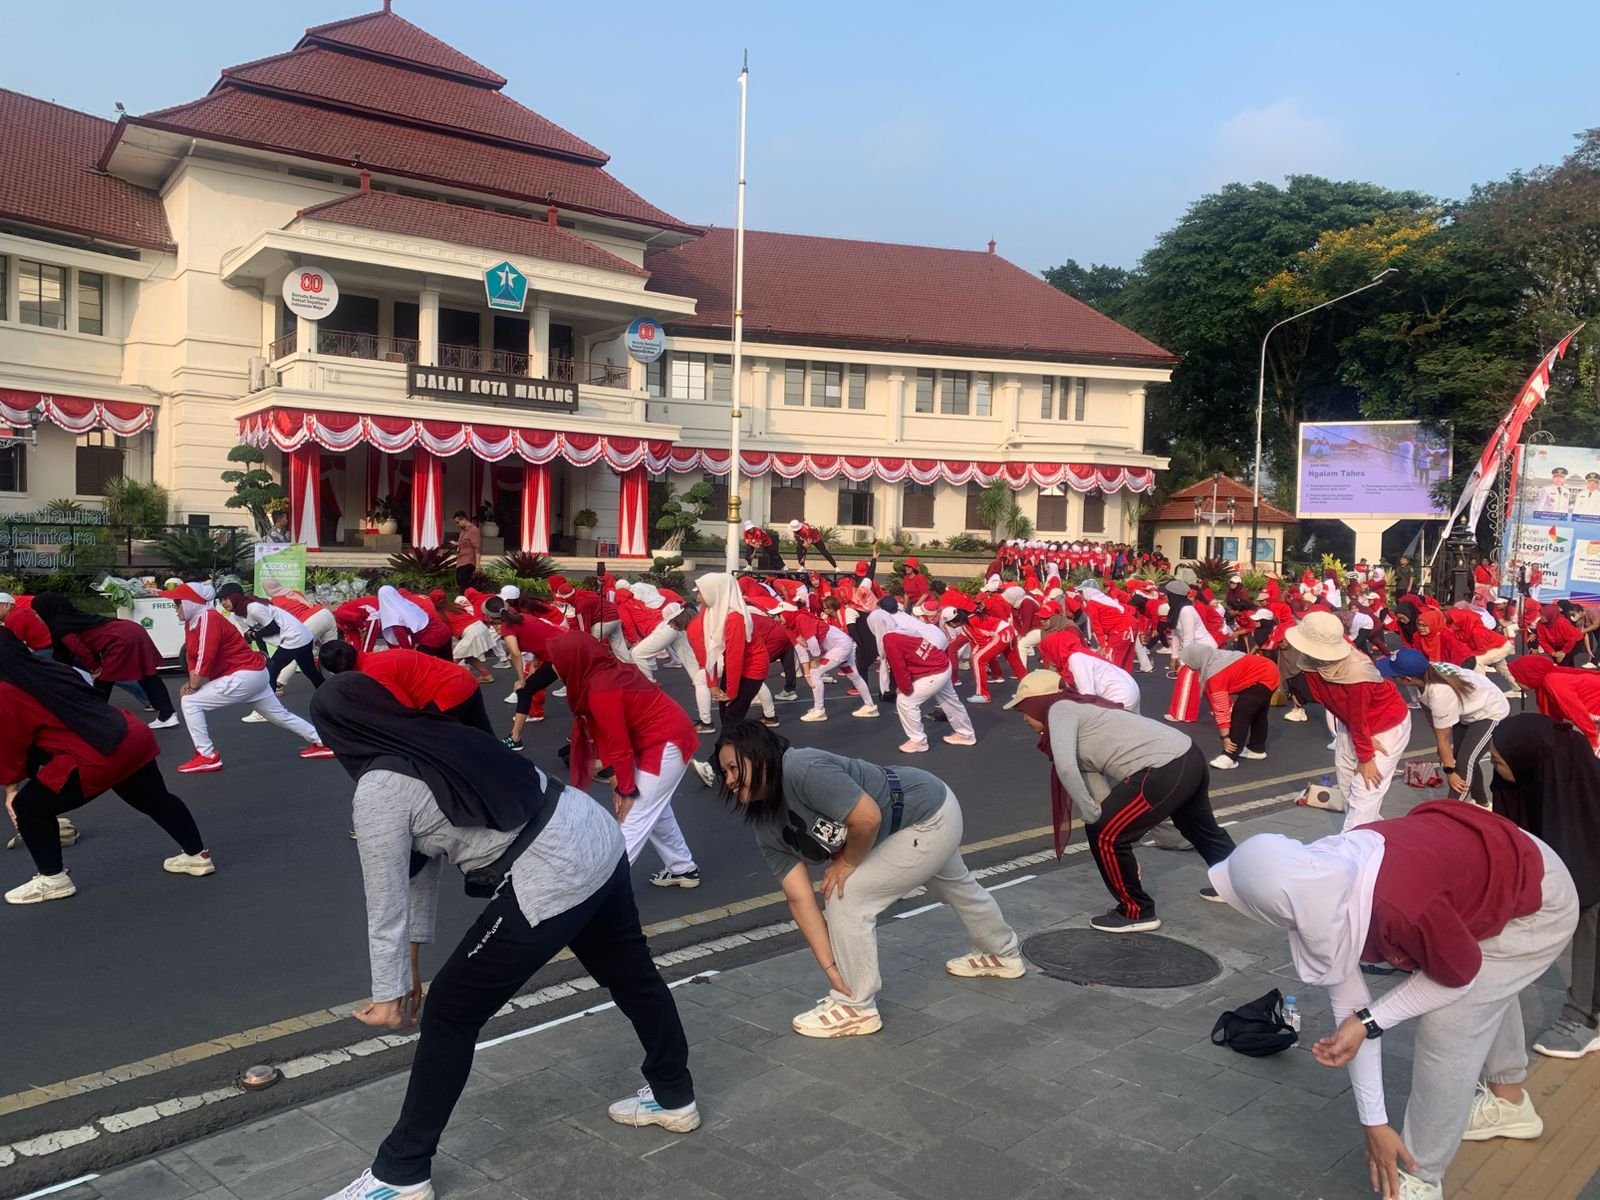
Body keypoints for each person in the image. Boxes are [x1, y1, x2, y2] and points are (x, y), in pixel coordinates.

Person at [310, 673, 698, 1200]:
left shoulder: (379, 788)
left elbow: (384, 899)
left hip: (554, 872)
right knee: (633, 977)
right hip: (595, 836)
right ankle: (674, 1097)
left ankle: (400, 1175)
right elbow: (418, 870)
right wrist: (410, 973)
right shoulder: (439, 734)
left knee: (450, 1011)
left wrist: (389, 996)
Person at [1210, 802, 1579, 1200]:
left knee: (1449, 1020)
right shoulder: (1319, 877)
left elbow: (1457, 981)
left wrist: (1372, 1020)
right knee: (1479, 984)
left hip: (1539, 900)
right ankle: (1510, 1105)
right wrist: (1375, 1122)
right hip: (1494, 867)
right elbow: (1349, 1012)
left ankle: (1421, 1176)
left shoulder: (1401, 907)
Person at [713, 721, 1023, 1037]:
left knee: (847, 894)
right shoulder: (765, 826)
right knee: (954, 885)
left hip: (925, 814)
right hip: (911, 820)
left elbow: (867, 817)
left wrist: (847, 863)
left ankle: (855, 1006)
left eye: (734, 767)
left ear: (760, 754)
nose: (730, 780)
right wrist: (831, 969)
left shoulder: (799, 767)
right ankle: (1002, 953)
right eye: (724, 774)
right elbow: (799, 898)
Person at [1010, 671, 1235, 932]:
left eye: (1024, 709)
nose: (1024, 718)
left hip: (1164, 767)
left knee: (1104, 834)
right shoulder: (1080, 712)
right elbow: (1093, 783)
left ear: (1039, 702)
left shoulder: (1059, 708)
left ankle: (1136, 912)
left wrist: (1095, 818)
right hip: (1186, 754)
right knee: (1198, 828)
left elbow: (1067, 769)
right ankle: (1240, 886)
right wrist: (1104, 824)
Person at [1, 629, 212, 905]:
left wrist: (12, 790)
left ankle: (52, 879)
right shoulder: (49, 667)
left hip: (97, 753)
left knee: (28, 806)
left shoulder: (5, 690)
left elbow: (11, 742)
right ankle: (197, 856)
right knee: (155, 799)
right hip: (127, 734)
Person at [545, 633, 703, 888]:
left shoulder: (600, 687)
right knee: (654, 809)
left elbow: (617, 743)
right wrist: (617, 778)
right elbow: (610, 736)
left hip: (664, 742)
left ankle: (593, 895)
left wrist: (626, 787)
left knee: (631, 817)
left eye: (555, 660)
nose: (552, 666)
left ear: (573, 659)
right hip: (656, 738)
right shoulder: (602, 670)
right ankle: (682, 868)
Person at [1491, 715, 1600, 1060]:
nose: (1495, 768)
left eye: (1498, 761)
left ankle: (1587, 1017)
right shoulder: (1541, 781)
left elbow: (1583, 886)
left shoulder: (1581, 799)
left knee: (1592, 919)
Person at [162, 582, 332, 773]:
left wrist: (193, 685)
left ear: (190, 603)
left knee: (190, 702)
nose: (175, 609)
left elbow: (205, 654)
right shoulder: (194, 622)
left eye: (177, 604)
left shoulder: (208, 619)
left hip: (247, 672)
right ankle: (323, 742)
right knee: (279, 715)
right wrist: (192, 679)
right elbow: (192, 655)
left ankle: (207, 755)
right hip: (253, 672)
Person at [1286, 611, 1412, 829]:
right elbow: (1334, 705)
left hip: (1385, 723)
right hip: (1354, 724)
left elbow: (1358, 715)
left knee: (1365, 790)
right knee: (1346, 787)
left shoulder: (1357, 672)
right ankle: (1373, 835)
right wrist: (1361, 737)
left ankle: (1350, 853)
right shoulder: (1311, 658)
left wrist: (1365, 756)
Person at [1377, 649, 1508, 805]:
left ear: (1406, 678)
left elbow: (1444, 739)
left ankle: (1450, 811)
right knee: (1461, 757)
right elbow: (1428, 711)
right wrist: (1442, 748)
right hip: (1467, 709)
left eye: (1394, 674)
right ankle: (1481, 804)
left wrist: (1449, 772)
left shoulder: (1440, 694)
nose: (1391, 677)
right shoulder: (1424, 672)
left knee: (1465, 762)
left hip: (1490, 711)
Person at [32, 592, 178, 728]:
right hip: (131, 631)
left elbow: (78, 648)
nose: (36, 617)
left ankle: (96, 721)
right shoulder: (73, 616)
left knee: (103, 682)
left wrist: (95, 668)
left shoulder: (61, 625)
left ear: (46, 610)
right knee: (147, 676)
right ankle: (168, 714)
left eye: (36, 613)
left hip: (121, 640)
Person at [320, 640, 492, 734]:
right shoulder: (378, 657)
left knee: (429, 736)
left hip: (449, 692)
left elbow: (405, 709)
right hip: (464, 680)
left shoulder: (373, 673)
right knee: (484, 735)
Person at [883, 602, 975, 752]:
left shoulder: (891, 637)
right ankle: (966, 734)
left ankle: (918, 741)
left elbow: (900, 666)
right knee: (950, 700)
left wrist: (904, 687)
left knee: (905, 701)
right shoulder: (907, 624)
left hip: (935, 668)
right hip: (942, 662)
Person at [1180, 643, 1281, 770]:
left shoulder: (1215, 674)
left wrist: (1225, 737)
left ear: (1196, 659)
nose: (1187, 664)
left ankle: (1230, 755)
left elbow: (1222, 709)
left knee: (1240, 713)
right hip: (1268, 669)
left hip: (1264, 676)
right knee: (1258, 713)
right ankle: (1257, 748)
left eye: (1187, 661)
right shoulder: (1216, 657)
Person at [216, 582, 325, 690]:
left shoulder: (254, 608)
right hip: (298, 636)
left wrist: (253, 635)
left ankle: (270, 705)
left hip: (295, 636)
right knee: (310, 671)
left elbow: (273, 628)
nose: (223, 603)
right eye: (221, 600)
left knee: (271, 671)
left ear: (235, 596)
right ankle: (328, 694)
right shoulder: (237, 616)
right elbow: (254, 634)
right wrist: (265, 655)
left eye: (226, 598)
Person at [1163, 579, 1215, 723]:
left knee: (1185, 678)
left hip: (1202, 649)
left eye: (1166, 594)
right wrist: (1174, 656)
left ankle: (1182, 714)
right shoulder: (1176, 610)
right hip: (1195, 649)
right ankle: (1228, 709)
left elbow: (1189, 638)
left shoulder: (1186, 611)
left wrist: (1183, 660)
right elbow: (1175, 634)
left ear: (1174, 595)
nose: (1164, 597)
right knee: (1211, 683)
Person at [451, 511, 480, 592]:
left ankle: (464, 600)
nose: (457, 525)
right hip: (461, 560)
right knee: (460, 581)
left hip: (469, 561)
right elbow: (463, 543)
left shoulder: (474, 530)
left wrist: (478, 565)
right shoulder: (463, 531)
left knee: (464, 583)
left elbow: (477, 548)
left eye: (458, 522)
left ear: (463, 519)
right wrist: (456, 544)